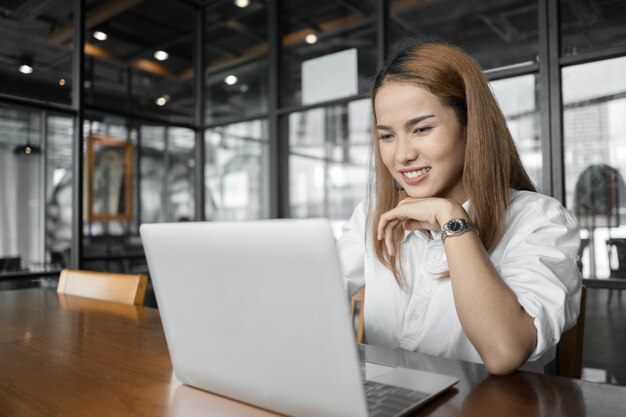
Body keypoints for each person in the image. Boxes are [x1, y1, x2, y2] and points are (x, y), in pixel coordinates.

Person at [338, 41, 581, 375]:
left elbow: (504, 351)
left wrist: (452, 220)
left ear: (471, 127)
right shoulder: (373, 214)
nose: (402, 155)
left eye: (421, 129)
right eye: (387, 136)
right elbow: (306, 300)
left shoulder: (539, 220)